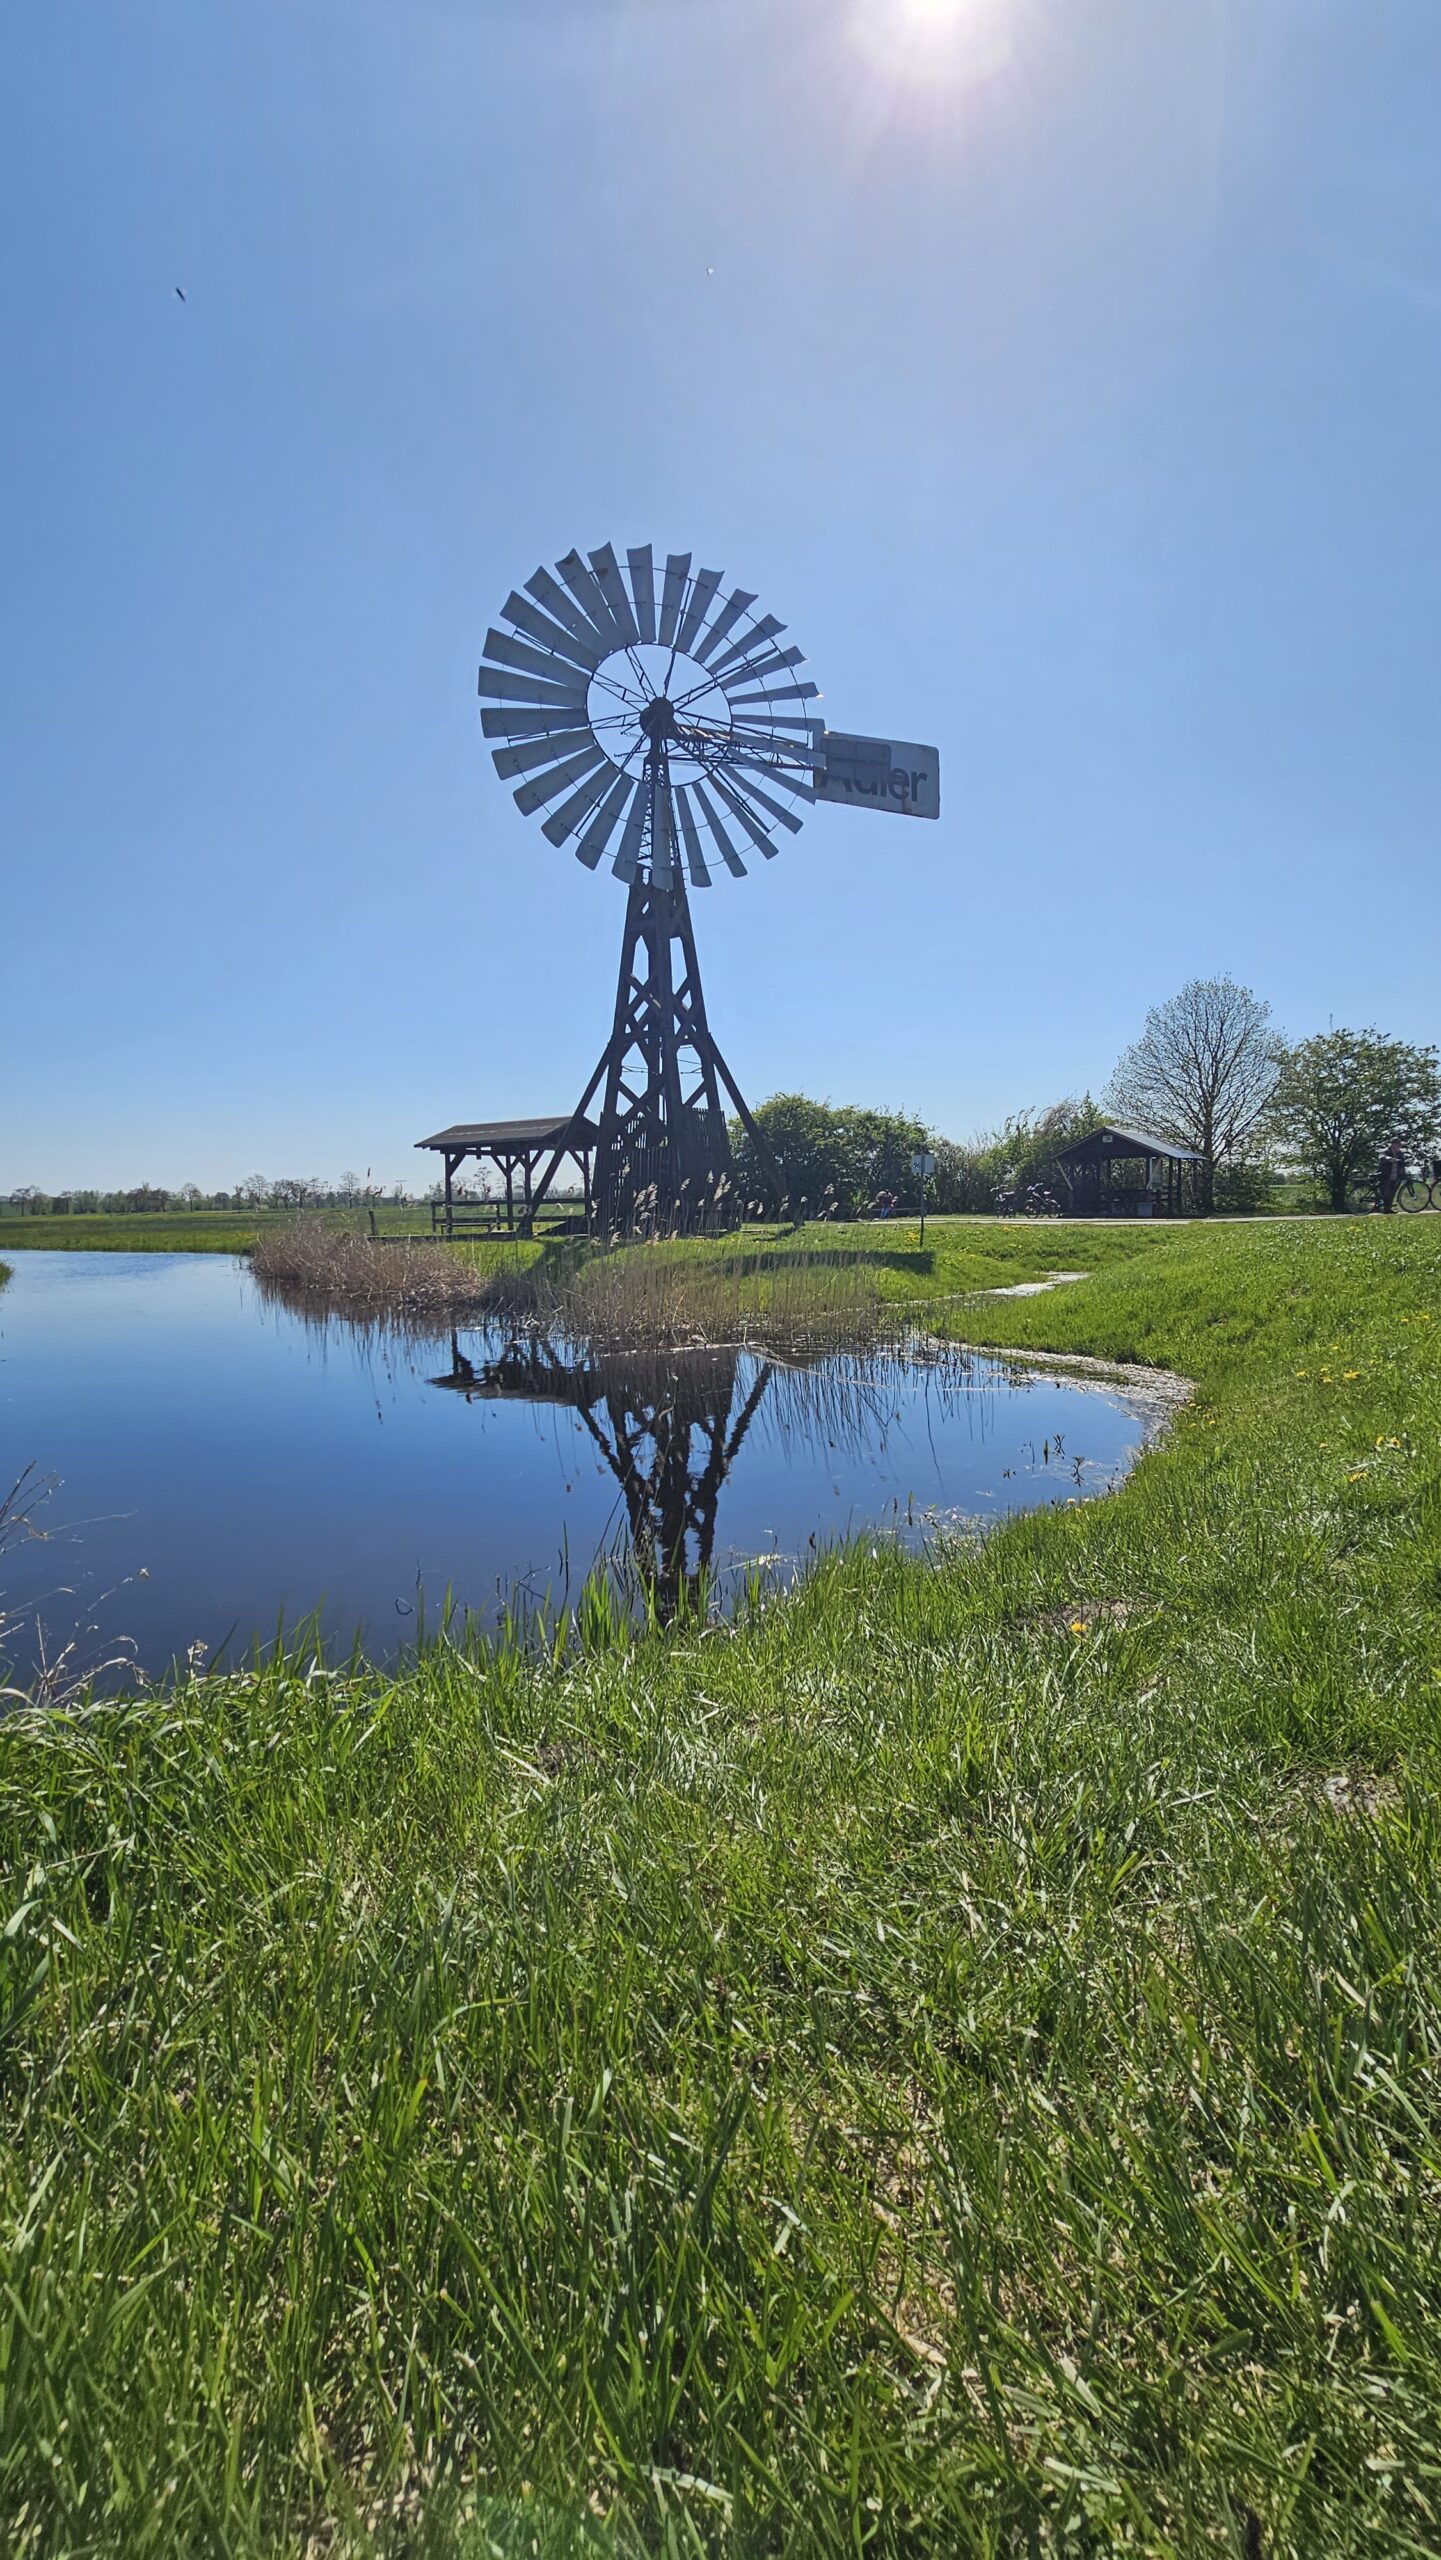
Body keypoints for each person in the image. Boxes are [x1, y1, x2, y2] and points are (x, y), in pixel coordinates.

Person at [1377, 1138, 1409, 1213]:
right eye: (1398, 1144)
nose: (1399, 1146)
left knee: (1392, 1193)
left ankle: (1388, 1209)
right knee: (1385, 1193)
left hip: (1396, 1176)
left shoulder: (1400, 1153)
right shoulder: (1386, 1151)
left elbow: (1402, 1163)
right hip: (1386, 1175)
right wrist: (1390, 1158)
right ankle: (1383, 1208)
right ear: (1393, 1144)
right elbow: (1381, 1157)